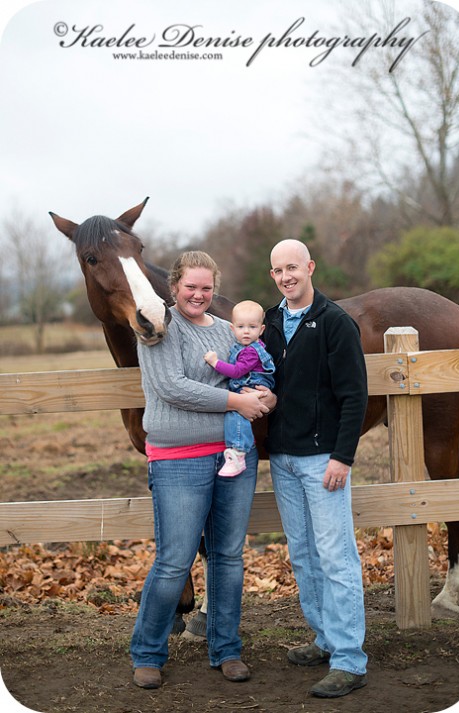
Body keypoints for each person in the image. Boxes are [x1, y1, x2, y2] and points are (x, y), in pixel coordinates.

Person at [130, 251, 275, 689]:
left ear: (215, 289)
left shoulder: (233, 332)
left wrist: (265, 398)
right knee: (174, 561)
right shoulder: (159, 329)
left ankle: (226, 648)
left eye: (206, 287)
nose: (198, 294)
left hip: (234, 455)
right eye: (190, 286)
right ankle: (148, 652)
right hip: (179, 459)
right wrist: (237, 402)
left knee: (228, 557)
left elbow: (254, 379)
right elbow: (171, 388)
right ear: (174, 287)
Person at [263, 238, 368, 699]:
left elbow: (354, 396)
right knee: (303, 554)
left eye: (293, 267)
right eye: (278, 271)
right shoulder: (269, 322)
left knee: (336, 556)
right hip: (283, 460)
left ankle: (350, 659)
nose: (287, 276)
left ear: (310, 267)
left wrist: (342, 457)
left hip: (322, 460)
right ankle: (325, 638)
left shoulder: (334, 322)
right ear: (273, 276)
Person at [204, 299, 275, 477]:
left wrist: (215, 362)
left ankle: (238, 452)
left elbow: (236, 372)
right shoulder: (242, 346)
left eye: (252, 327)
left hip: (252, 385)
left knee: (236, 414)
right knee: (233, 412)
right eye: (241, 327)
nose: (246, 331)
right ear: (232, 329)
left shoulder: (251, 351)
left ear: (261, 330)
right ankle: (237, 449)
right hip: (246, 384)